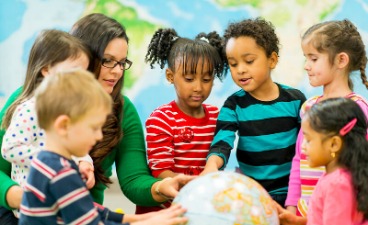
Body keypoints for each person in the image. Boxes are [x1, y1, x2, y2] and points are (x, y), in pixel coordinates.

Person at [0, 13, 193, 220]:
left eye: (122, 62)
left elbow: (132, 179)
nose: (117, 71)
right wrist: (25, 198)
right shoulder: (31, 102)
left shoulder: (122, 110)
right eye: (108, 61)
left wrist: (160, 187)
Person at [19, 69, 188, 225]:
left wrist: (142, 218)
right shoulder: (61, 174)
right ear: (64, 125)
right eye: (93, 128)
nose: (100, 136)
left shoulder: (46, 161)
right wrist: (148, 223)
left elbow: (87, 209)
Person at [201, 17, 306, 207]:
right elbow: (222, 144)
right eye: (233, 64)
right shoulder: (234, 105)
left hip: (292, 196)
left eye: (249, 61)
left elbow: (307, 147)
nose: (240, 70)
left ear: (272, 60)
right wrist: (211, 166)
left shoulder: (295, 101)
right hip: (253, 197)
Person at [0, 29, 95, 223]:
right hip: (36, 212)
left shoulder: (68, 109)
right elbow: (10, 148)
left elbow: (73, 147)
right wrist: (55, 160)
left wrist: (85, 163)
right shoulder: (31, 109)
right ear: (47, 69)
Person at [136, 28, 228, 214]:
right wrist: (201, 188)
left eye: (206, 79)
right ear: (170, 77)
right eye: (189, 78)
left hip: (199, 210)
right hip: (164, 212)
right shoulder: (161, 119)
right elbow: (162, 172)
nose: (198, 87)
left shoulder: (218, 117)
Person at [285, 19, 368, 218]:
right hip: (307, 211)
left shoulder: (358, 108)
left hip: (340, 211)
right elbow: (299, 159)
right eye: (306, 59)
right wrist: (292, 206)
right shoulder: (309, 107)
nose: (307, 66)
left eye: (313, 59)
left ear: (341, 60)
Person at [278, 98, 368, 225]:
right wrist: (299, 221)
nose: (302, 146)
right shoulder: (339, 178)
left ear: (334, 144)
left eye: (308, 140)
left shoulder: (337, 185)